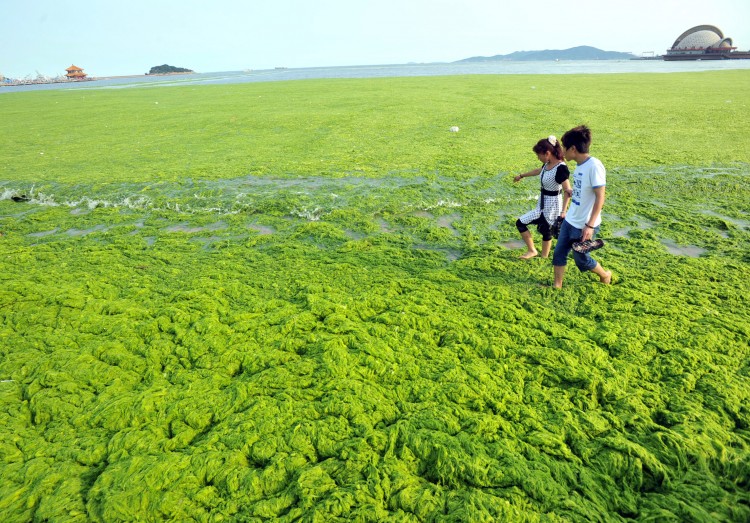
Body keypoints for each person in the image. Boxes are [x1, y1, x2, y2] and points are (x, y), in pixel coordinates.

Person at [552, 125, 612, 288]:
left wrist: (590, 225)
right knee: (559, 252)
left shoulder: (594, 166)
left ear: (573, 148)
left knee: (581, 258)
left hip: (584, 224)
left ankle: (605, 274)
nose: (562, 151)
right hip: (570, 219)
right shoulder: (580, 166)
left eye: (564, 147)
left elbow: (600, 198)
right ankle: (557, 285)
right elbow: (583, 191)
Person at [513, 136, 572, 259]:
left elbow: (567, 191)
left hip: (553, 205)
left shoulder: (561, 168)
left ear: (547, 153)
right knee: (526, 224)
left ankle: (541, 255)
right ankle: (535, 252)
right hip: (542, 203)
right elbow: (538, 171)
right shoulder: (547, 164)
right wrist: (521, 175)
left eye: (539, 155)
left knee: (544, 230)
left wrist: (563, 211)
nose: (538, 157)